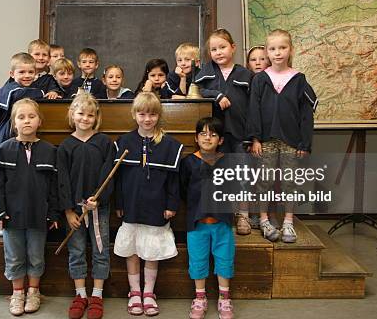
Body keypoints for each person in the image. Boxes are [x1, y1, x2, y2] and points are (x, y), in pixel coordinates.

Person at [0, 98, 60, 316]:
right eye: (21, 117)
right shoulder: (2, 150)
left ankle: (33, 291)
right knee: (15, 256)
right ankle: (18, 293)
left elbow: (55, 186)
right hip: (11, 216)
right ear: (13, 123)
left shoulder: (49, 151)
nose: (26, 121)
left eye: (31, 116)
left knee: (36, 255)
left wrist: (53, 211)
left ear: (39, 121)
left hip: (39, 215)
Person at [113, 92, 183, 316]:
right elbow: (118, 179)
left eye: (152, 114)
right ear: (134, 114)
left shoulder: (170, 145)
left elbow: (174, 181)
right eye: (142, 114)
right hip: (131, 206)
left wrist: (172, 204)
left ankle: (148, 292)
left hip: (157, 206)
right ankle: (134, 292)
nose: (147, 119)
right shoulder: (123, 142)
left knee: (151, 251)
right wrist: (119, 203)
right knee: (132, 250)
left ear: (158, 116)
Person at [249, 29, 317, 243]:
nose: (277, 53)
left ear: (290, 50)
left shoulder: (298, 80)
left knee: (290, 182)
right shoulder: (260, 79)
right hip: (266, 140)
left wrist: (304, 143)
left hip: (291, 140)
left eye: (282, 48)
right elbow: (253, 110)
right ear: (267, 52)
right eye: (272, 48)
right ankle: (264, 219)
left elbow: (306, 115)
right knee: (264, 181)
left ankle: (288, 221)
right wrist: (255, 138)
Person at [57, 94, 115, 319]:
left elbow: (108, 176)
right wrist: (69, 210)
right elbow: (62, 180)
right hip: (75, 210)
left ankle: (97, 295)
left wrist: (98, 200)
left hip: (98, 208)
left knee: (101, 250)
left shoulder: (104, 143)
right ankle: (80, 294)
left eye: (90, 115)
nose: (85, 118)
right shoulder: (65, 146)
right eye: (80, 113)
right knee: (77, 250)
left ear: (96, 118)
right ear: (72, 114)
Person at [0, 53, 49, 239]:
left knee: (10, 184)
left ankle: (4, 217)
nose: (27, 75)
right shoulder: (9, 89)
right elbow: (19, 95)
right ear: (12, 73)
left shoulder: (29, 88)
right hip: (1, 144)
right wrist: (43, 92)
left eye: (31, 72)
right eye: (22, 72)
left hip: (17, 146)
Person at [180, 117, 235, 319]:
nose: (207, 138)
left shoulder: (228, 162)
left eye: (213, 134)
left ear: (220, 140)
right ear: (196, 137)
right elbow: (184, 190)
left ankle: (224, 298)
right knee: (198, 260)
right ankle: (200, 297)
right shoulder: (188, 163)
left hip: (223, 223)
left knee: (224, 259)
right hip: (197, 224)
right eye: (203, 133)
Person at [193, 29, 253, 154]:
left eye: (222, 47)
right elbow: (200, 90)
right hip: (216, 134)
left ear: (233, 47)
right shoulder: (206, 72)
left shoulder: (246, 75)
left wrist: (253, 136)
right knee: (219, 167)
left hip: (240, 131)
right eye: (214, 50)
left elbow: (253, 106)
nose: (218, 52)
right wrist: (217, 95)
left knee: (240, 168)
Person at [245, 45, 273, 230]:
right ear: (248, 63)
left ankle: (267, 215)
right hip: (249, 136)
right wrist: (252, 138)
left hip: (270, 136)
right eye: (253, 59)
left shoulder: (274, 82)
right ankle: (251, 213)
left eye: (262, 58)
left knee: (268, 178)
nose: (258, 62)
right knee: (250, 178)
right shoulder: (246, 82)